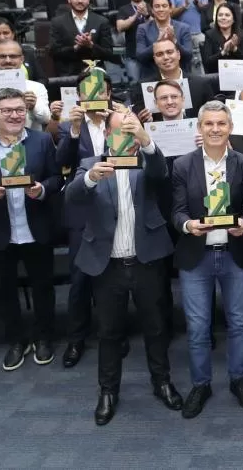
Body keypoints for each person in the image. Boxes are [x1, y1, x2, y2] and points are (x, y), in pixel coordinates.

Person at [65, 109, 183, 426]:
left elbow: (160, 173)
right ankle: (108, 391)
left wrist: (146, 141)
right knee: (109, 331)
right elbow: (72, 197)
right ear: (107, 135)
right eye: (120, 132)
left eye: (131, 132)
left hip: (146, 260)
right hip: (107, 265)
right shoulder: (91, 165)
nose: (125, 139)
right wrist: (91, 178)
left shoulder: (146, 161)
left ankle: (162, 382)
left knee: (156, 327)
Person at [0, 87, 60, 371]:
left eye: (19, 110)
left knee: (43, 287)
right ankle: (17, 341)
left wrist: (42, 189)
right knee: (4, 291)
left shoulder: (41, 141)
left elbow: (56, 178)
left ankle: (44, 337)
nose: (15, 115)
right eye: (7, 111)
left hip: (35, 228)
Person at [171, 101, 243, 418]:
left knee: (237, 323)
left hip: (234, 255)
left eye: (221, 123)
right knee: (197, 327)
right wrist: (188, 225)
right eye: (209, 124)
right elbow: (177, 211)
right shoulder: (182, 165)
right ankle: (200, 384)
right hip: (197, 257)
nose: (215, 129)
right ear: (199, 128)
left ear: (230, 127)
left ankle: (239, 379)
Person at [54, 69, 115, 368]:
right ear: (79, 97)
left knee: (112, 276)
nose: (95, 96)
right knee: (80, 279)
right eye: (88, 91)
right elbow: (61, 163)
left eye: (100, 90)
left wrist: (113, 126)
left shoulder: (120, 120)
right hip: (82, 209)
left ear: (108, 94)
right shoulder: (69, 127)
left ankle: (113, 333)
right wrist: (76, 129)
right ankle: (76, 340)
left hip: (116, 206)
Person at [49, 0, 117, 77]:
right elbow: (53, 52)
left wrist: (91, 45)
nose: (80, 1)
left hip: (95, 75)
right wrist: (75, 47)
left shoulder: (102, 21)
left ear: (88, 0)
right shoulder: (57, 22)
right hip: (68, 76)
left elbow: (108, 53)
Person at [136, 0, 194, 79]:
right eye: (157, 6)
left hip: (179, 77)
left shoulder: (183, 28)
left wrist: (174, 41)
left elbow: (188, 56)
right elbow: (140, 57)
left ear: (170, 9)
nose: (161, 9)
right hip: (152, 77)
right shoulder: (143, 28)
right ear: (152, 10)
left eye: (164, 6)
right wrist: (157, 42)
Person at [202, 4, 243, 75]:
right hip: (217, 75)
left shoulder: (242, 34)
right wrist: (223, 52)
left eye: (227, 15)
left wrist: (235, 49)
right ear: (216, 18)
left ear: (233, 19)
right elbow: (207, 63)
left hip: (238, 74)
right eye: (220, 15)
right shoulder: (209, 34)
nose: (223, 18)